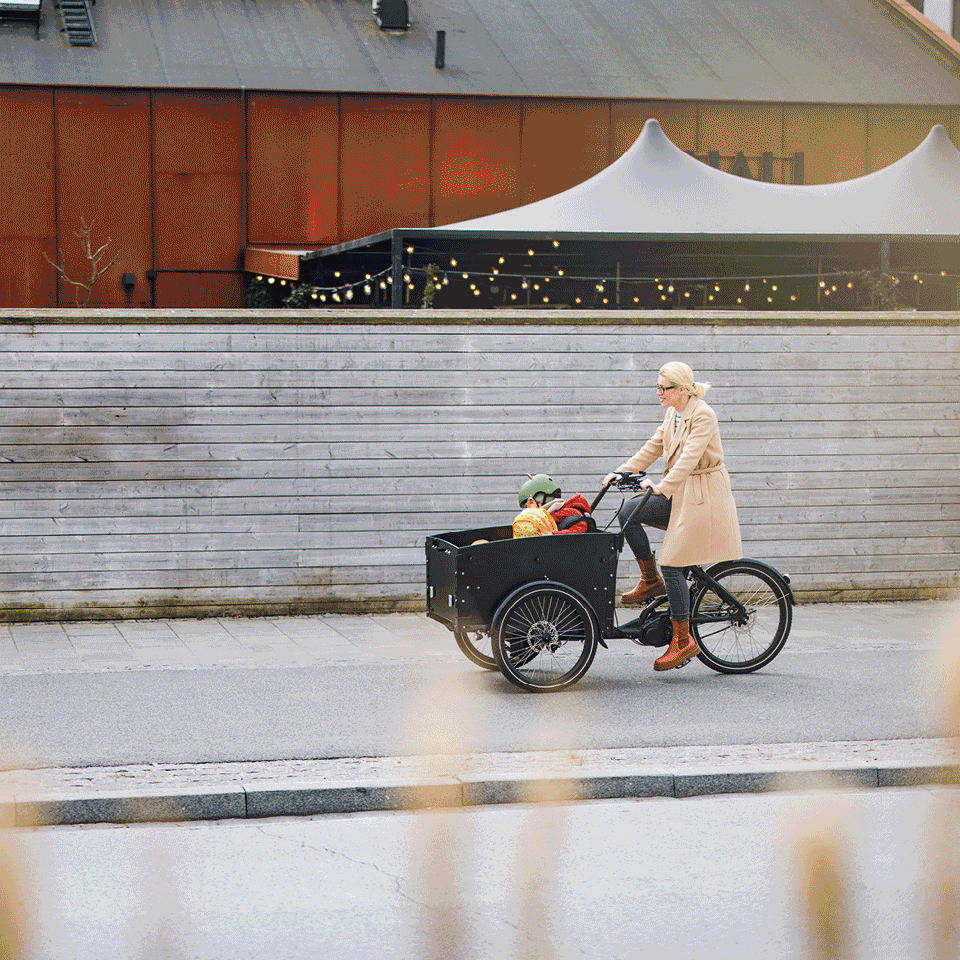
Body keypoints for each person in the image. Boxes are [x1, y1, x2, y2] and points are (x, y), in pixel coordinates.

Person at [602, 362, 742, 672]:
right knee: (628, 512)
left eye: (663, 388)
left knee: (673, 561)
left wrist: (661, 487)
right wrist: (621, 471)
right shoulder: (673, 414)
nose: (658, 393)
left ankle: (682, 640)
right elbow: (652, 447)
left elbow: (689, 459)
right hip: (681, 494)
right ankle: (651, 580)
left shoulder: (703, 415)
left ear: (680, 389)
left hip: (703, 496)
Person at [517, 474, 593, 535]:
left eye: (530, 504)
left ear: (540, 500)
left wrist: (552, 535)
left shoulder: (568, 512)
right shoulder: (548, 515)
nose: (528, 510)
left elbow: (580, 529)